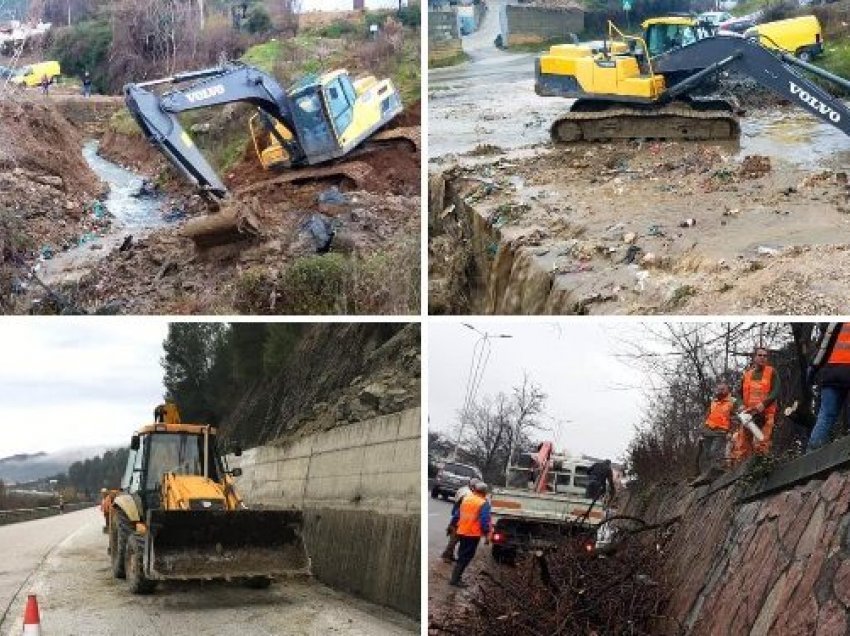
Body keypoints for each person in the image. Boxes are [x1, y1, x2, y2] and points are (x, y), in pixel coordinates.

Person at [807, 323, 850, 451]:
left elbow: (823, 348)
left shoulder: (836, 323)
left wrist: (813, 368)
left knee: (825, 415)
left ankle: (811, 456)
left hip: (832, 373)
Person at [732, 347, 780, 461]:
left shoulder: (771, 372)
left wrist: (764, 404)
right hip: (748, 415)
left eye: (765, 356)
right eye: (760, 355)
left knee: (762, 443)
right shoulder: (747, 375)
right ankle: (741, 472)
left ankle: (760, 468)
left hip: (766, 414)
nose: (762, 358)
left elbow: (776, 391)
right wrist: (740, 405)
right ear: (754, 357)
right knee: (742, 444)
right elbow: (738, 394)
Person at [690, 382, 738, 487]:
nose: (720, 391)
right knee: (707, 453)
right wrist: (701, 432)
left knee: (715, 451)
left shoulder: (733, 401)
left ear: (728, 390)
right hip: (708, 430)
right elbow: (707, 416)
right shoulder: (714, 401)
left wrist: (731, 431)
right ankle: (708, 474)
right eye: (719, 389)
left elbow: (735, 418)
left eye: (723, 389)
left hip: (721, 431)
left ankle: (719, 472)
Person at [449, 481, 491, 588]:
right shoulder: (483, 503)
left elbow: (457, 515)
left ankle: (456, 578)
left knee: (462, 555)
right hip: (472, 534)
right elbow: (485, 520)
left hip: (462, 531)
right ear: (484, 492)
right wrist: (486, 534)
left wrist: (453, 525)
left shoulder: (466, 499)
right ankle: (455, 580)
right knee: (466, 557)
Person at [442, 478, 477, 563]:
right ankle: (446, 555)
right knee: (455, 538)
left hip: (458, 516)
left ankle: (450, 555)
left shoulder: (463, 489)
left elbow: (456, 501)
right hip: (460, 518)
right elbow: (461, 506)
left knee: (454, 538)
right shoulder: (468, 494)